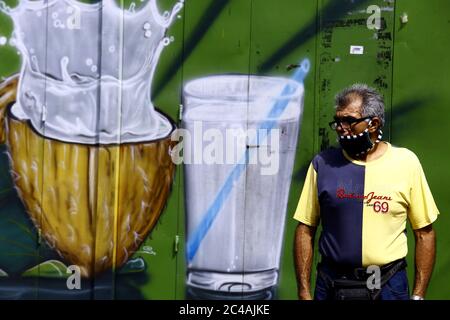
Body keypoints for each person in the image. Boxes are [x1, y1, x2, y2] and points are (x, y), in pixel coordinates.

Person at [293, 84, 439, 300]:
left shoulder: (406, 163)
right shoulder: (322, 164)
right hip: (332, 284)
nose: (342, 127)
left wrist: (418, 296)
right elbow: (305, 229)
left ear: (374, 124)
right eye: (338, 121)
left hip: (389, 285)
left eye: (350, 121)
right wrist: (304, 291)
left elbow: (424, 233)